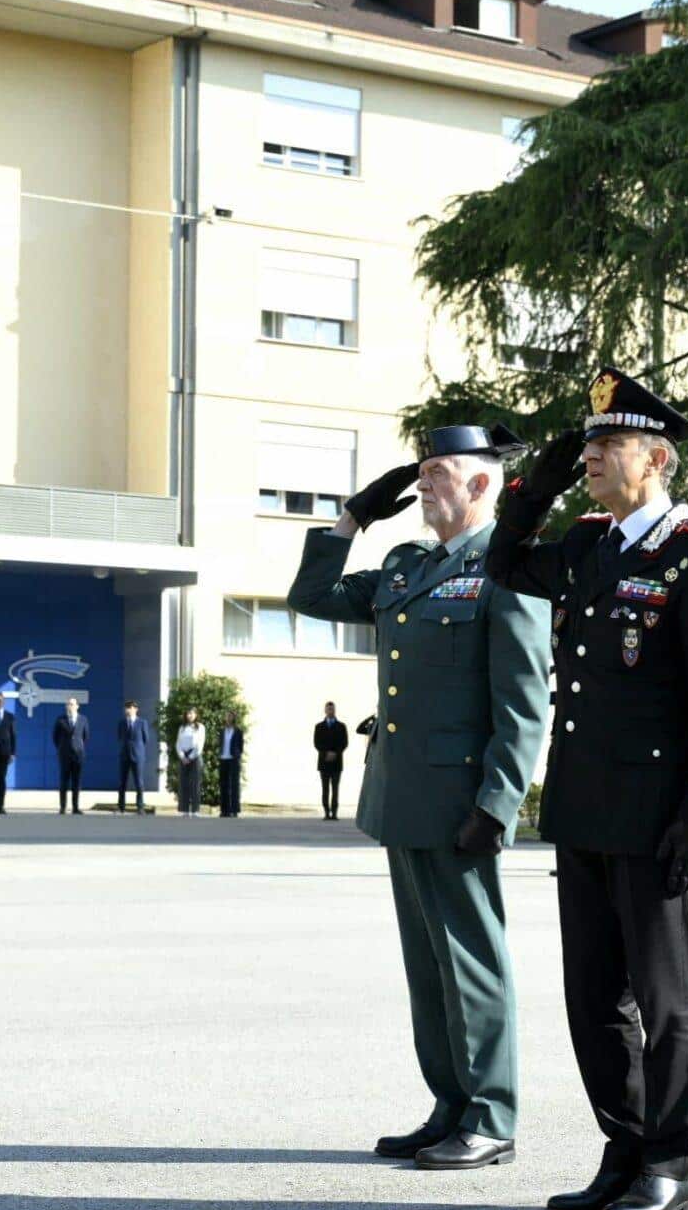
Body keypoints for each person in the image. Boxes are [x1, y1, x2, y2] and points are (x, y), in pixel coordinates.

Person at [486, 369, 688, 1210]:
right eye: (590, 445)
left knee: (664, 1000)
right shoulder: (593, 544)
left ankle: (671, 1164)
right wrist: (543, 479)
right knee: (593, 997)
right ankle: (625, 1150)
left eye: (610, 446)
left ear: (659, 459)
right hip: (585, 807)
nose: (596, 457)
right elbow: (505, 561)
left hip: (656, 820)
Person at [292, 424, 555, 1171]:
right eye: (423, 470)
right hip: (403, 796)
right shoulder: (407, 566)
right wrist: (350, 520)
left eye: (438, 471)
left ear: (480, 484)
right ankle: (449, 1106)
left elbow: (523, 705)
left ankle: (492, 1115)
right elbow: (310, 595)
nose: (423, 483)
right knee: (429, 965)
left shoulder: (510, 569)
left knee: (473, 962)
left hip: (462, 801)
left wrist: (497, 806)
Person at [115, 702, 154, 815]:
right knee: (122, 782)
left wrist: (138, 749)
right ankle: (121, 807)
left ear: (135, 709)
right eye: (126, 708)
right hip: (124, 755)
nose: (128, 710)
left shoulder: (142, 722)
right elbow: (119, 737)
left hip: (138, 756)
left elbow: (145, 739)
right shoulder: (122, 722)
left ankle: (140, 807)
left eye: (130, 708)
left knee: (139, 782)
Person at [313, 703, 350, 821]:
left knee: (335, 788)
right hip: (323, 762)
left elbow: (344, 743)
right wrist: (326, 753)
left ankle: (334, 813)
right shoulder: (319, 726)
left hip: (336, 762)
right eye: (328, 709)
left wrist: (335, 753)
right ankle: (326, 812)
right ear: (325, 710)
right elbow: (317, 743)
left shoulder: (341, 726)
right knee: (325, 789)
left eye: (332, 709)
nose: (330, 711)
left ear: (335, 710)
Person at [51, 699, 87, 814]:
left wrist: (78, 746)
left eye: (72, 704)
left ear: (77, 706)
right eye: (68, 704)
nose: (70, 706)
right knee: (64, 781)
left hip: (78, 755)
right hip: (64, 755)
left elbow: (85, 736)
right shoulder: (60, 720)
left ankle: (75, 807)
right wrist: (62, 748)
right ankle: (63, 807)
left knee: (76, 782)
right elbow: (55, 737)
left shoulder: (83, 719)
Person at [174, 708, 204, 816]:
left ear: (196, 715)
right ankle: (184, 810)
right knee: (183, 783)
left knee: (195, 784)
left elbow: (200, 745)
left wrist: (190, 757)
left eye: (191, 713)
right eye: (188, 713)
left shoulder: (200, 727)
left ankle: (195, 810)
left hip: (195, 756)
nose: (189, 715)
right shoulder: (182, 728)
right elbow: (178, 743)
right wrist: (182, 756)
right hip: (183, 756)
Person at [216, 719, 245, 817]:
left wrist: (238, 754)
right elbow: (220, 743)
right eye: (226, 718)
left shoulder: (238, 731)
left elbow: (241, 745)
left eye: (230, 718)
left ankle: (234, 810)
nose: (228, 720)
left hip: (233, 759)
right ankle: (225, 810)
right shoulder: (222, 731)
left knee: (234, 785)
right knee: (224, 785)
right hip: (223, 758)